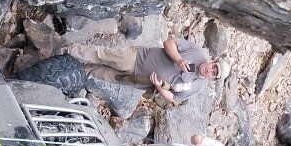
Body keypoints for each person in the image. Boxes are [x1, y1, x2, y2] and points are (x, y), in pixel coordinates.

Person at [64, 38, 230, 103]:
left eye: (214, 73)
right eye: (214, 67)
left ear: (212, 79)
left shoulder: (198, 87)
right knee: (101, 56)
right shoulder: (197, 52)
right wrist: (178, 59)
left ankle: (66, 68)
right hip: (138, 58)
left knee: (99, 73)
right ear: (212, 61)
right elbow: (168, 43)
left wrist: (159, 87)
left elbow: (173, 98)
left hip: (138, 81)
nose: (210, 70)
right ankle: (67, 50)